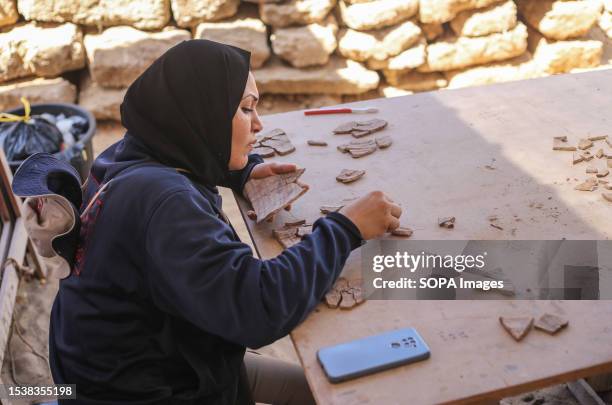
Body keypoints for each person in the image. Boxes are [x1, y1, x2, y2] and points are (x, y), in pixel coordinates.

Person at [43, 40, 402, 404]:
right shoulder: (166, 203)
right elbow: (259, 308)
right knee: (356, 394)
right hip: (143, 391)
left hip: (126, 366)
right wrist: (346, 229)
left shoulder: (125, 156)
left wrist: (241, 171)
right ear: (203, 114)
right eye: (246, 109)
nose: (259, 125)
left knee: (326, 386)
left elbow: (184, 157)